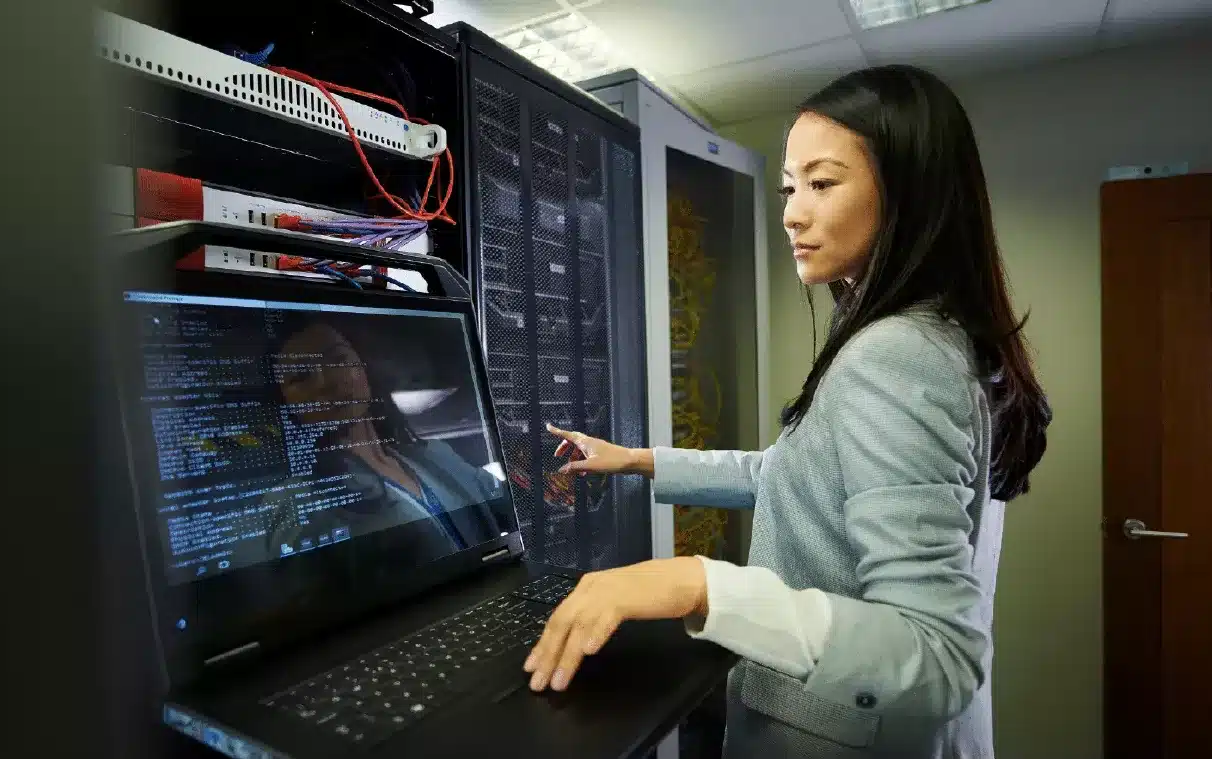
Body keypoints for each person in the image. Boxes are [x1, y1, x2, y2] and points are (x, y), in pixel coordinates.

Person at [524, 64, 1051, 759]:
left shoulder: (898, 354)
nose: (792, 213)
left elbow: (938, 655)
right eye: (789, 187)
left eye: (822, 183)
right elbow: (795, 473)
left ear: (908, 193)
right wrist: (638, 460)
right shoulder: (935, 333)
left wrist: (698, 582)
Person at [262, 320, 506, 567]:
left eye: (337, 358)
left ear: (363, 367)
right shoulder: (294, 501)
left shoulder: (435, 454)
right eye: (301, 376)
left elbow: (508, 504)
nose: (327, 382)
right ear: (286, 404)